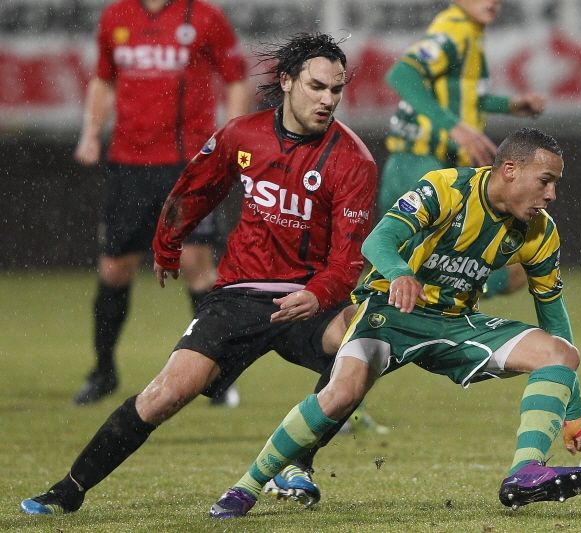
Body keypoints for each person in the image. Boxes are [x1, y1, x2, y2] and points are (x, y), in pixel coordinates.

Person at [20, 32, 377, 516]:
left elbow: (347, 263)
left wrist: (317, 295)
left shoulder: (353, 161)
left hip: (311, 298)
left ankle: (298, 461)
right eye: (317, 86)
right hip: (239, 295)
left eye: (336, 89)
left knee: (364, 343)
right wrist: (167, 242)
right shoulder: (241, 135)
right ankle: (68, 490)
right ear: (287, 81)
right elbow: (196, 189)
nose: (328, 100)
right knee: (166, 394)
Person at [210, 127, 581, 518]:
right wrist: (399, 274)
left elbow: (552, 313)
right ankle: (245, 487)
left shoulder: (541, 232)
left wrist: (573, 409)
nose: (551, 194)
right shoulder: (447, 188)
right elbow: (378, 240)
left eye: (555, 184)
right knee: (341, 395)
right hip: (391, 311)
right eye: (545, 181)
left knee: (558, 353)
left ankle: (525, 472)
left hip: (455, 324)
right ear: (510, 170)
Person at [72, 0, 251, 407]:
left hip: (188, 163)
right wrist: (91, 132)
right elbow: (104, 80)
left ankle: (217, 376)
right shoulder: (117, 15)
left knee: (196, 264)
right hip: (129, 164)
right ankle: (103, 371)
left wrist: (231, 140)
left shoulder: (205, 16)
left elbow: (236, 79)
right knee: (115, 267)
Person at [380, 0, 547, 298]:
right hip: (418, 164)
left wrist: (509, 105)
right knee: (472, 272)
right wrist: (453, 127)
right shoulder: (454, 30)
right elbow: (402, 74)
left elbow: (462, 97)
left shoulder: (471, 33)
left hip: (419, 164)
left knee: (416, 272)